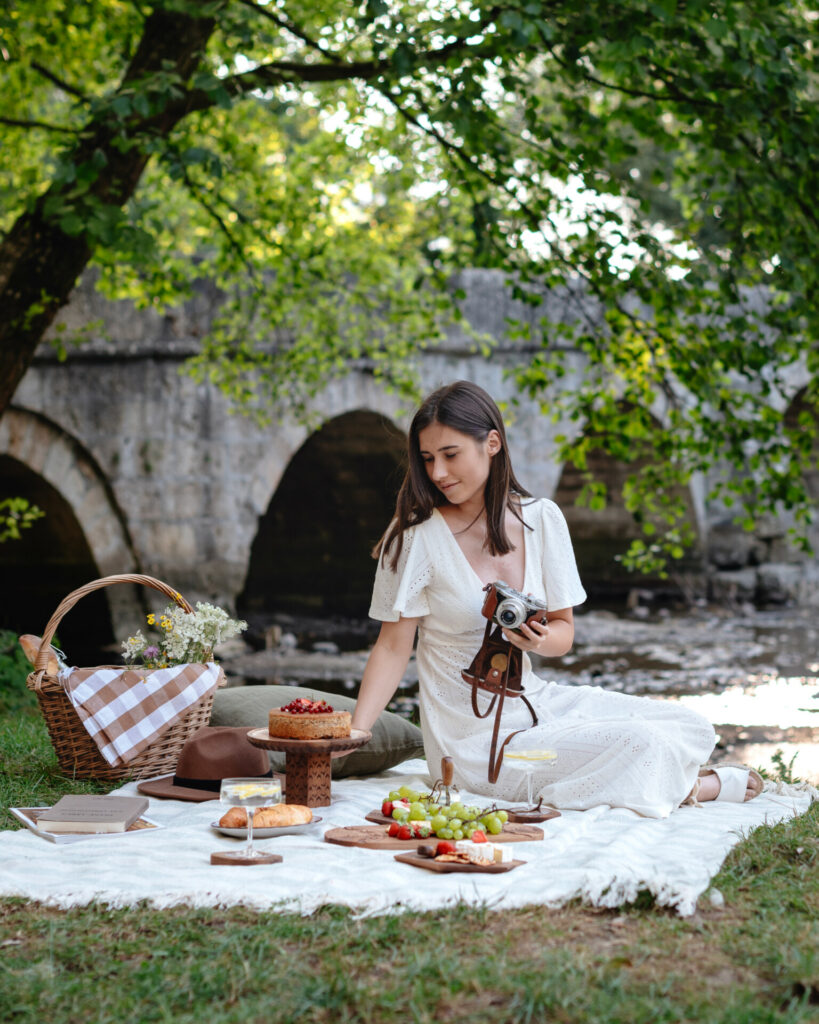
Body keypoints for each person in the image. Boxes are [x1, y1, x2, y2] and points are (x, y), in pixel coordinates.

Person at [348, 380, 762, 817]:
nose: (438, 474)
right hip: (473, 744)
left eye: (451, 455)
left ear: (492, 444)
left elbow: (564, 634)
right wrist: (357, 731)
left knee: (688, 724)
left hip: (538, 702)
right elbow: (393, 648)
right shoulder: (415, 539)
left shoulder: (542, 520)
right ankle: (698, 787)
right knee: (641, 741)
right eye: (428, 459)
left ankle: (657, 779)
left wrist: (536, 640)